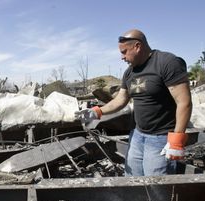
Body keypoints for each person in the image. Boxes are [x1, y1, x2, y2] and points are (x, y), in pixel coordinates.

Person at [76, 29, 192, 176]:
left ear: (137, 46)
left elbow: (184, 102)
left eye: (124, 52)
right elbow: (121, 99)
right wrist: (97, 111)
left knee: (156, 185)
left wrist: (177, 139)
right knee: (132, 178)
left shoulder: (167, 63)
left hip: (161, 137)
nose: (122, 57)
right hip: (137, 134)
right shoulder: (130, 72)